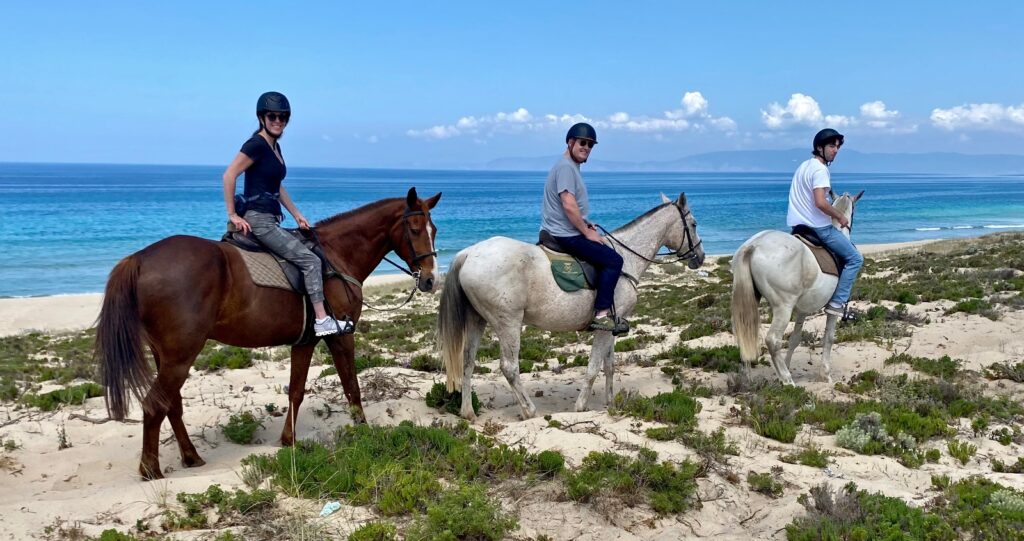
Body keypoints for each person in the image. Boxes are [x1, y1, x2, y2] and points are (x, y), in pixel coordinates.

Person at [222, 91, 352, 337]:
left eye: (283, 117)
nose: (278, 121)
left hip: (273, 218)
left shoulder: (274, 147)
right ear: (262, 117)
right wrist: (232, 214)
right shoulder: (256, 145)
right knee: (310, 260)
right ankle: (322, 320)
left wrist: (296, 214)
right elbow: (229, 175)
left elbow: (276, 186)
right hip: (260, 221)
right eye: (273, 116)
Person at [540, 123, 628, 334]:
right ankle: (601, 314)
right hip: (564, 235)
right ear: (570, 142)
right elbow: (568, 204)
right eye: (582, 143)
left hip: (562, 229)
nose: (586, 147)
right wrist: (587, 232)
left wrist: (585, 223)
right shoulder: (566, 167)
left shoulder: (569, 167)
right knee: (614, 260)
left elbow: (572, 209)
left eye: (590, 145)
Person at [787, 128, 864, 317]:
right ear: (819, 148)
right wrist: (840, 216)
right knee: (855, 259)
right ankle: (837, 303)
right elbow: (820, 202)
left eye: (837, 147)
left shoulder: (803, 166)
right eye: (831, 146)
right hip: (819, 229)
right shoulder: (820, 170)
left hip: (797, 228)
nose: (835, 150)